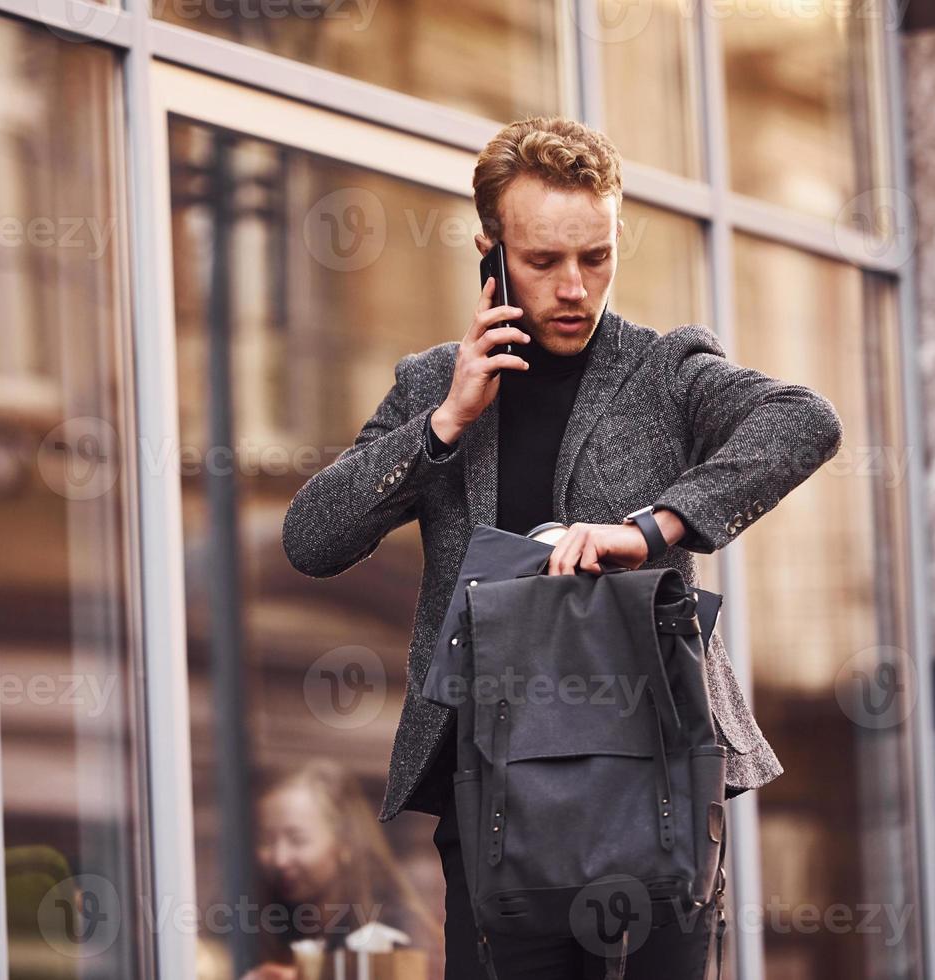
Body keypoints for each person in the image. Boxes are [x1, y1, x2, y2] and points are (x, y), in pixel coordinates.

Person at [281, 116, 843, 977]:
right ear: (491, 252)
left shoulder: (664, 371)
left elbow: (805, 420)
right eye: (544, 262)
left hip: (650, 771)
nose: (576, 287)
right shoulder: (434, 383)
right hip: (493, 784)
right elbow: (311, 538)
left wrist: (652, 528)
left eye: (597, 256)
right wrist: (442, 427)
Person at [237, 758, 441, 980]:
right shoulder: (262, 919)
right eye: (266, 840)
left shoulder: (396, 931)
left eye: (297, 840)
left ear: (345, 843)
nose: (279, 859)